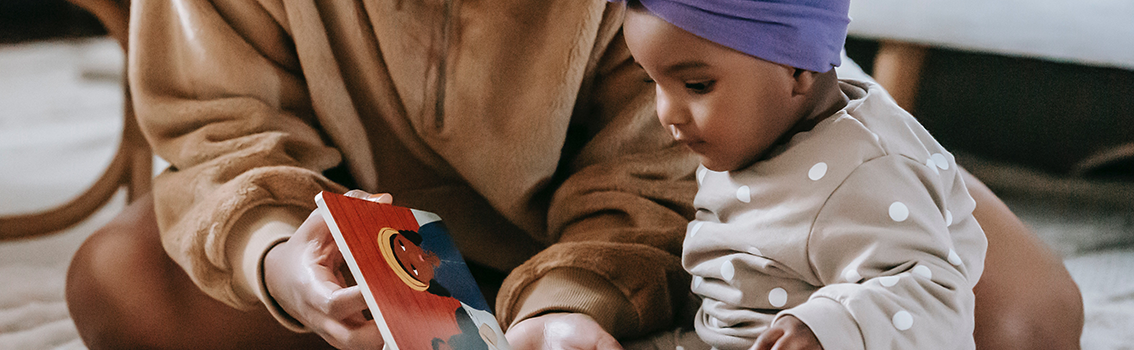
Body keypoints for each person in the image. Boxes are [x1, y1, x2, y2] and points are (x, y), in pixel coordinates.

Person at [64, 1, 1083, 349]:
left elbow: (662, 157)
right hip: (374, 219)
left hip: (684, 194)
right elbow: (216, 129)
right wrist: (282, 254)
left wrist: (574, 300)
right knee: (126, 281)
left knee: (1017, 314)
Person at [619, 0, 986, 348]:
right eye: (652, 82)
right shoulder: (753, 138)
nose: (666, 113)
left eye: (697, 85)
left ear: (798, 67)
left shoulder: (862, 173)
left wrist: (829, 328)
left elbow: (938, 298)